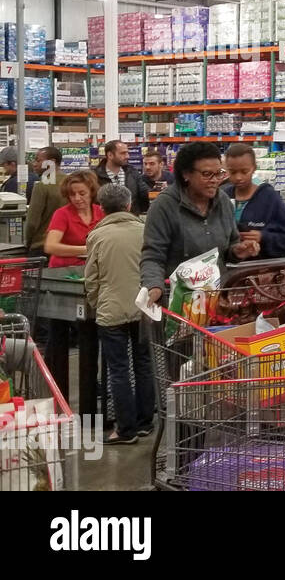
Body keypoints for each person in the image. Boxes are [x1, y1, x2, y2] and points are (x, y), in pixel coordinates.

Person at [141, 142, 260, 307]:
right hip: (178, 302)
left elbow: (231, 244)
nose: (214, 180)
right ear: (186, 174)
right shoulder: (164, 206)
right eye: (206, 174)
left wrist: (238, 250)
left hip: (217, 300)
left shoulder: (223, 202)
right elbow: (153, 256)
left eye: (218, 173)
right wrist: (153, 286)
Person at [84, 183, 154, 445]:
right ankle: (146, 422)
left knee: (118, 370)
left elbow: (91, 279)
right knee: (144, 365)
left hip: (111, 311)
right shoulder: (146, 230)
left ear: (101, 209)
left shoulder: (97, 236)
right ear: (128, 206)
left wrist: (97, 302)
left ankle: (126, 430)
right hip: (144, 307)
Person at [42, 170, 105, 415]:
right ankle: (57, 396)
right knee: (58, 338)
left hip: (89, 281)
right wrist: (85, 249)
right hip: (61, 281)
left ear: (91, 192)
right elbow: (51, 245)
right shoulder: (62, 214)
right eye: (72, 194)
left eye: (81, 193)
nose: (77, 198)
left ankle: (91, 395)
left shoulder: (100, 213)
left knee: (89, 336)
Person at [222, 143, 285, 260]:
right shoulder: (222, 197)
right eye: (233, 172)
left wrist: (263, 237)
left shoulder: (269, 198)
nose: (238, 177)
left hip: (260, 271)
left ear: (254, 168)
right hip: (225, 271)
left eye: (244, 171)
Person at [24, 146, 66, 257]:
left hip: (42, 245)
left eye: (38, 160)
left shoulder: (42, 186)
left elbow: (32, 222)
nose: (34, 164)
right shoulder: (72, 183)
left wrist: (27, 242)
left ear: (52, 162)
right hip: (65, 244)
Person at [94, 139, 151, 213]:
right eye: (123, 153)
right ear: (110, 155)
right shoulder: (95, 176)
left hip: (131, 220)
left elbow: (145, 195)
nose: (127, 156)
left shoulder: (133, 173)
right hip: (107, 221)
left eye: (127, 153)